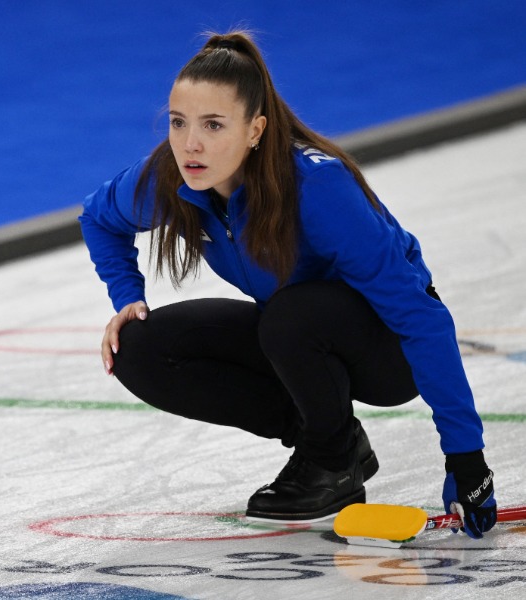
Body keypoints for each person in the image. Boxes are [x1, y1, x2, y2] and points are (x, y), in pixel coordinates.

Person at [78, 31, 498, 535]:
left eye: (214, 125)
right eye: (178, 122)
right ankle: (335, 443)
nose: (191, 143)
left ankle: (329, 459)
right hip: (296, 334)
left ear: (255, 129)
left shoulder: (318, 187)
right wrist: (128, 297)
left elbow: (419, 316)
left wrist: (466, 460)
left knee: (291, 316)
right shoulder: (175, 176)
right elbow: (98, 217)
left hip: (385, 352)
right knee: (141, 347)